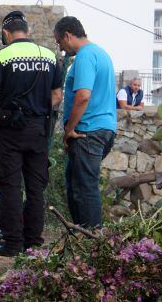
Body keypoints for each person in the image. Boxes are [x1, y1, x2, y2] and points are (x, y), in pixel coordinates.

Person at [0, 11, 63, 257]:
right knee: (36, 188)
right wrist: (36, 110)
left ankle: (13, 244)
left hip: (10, 131)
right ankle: (33, 242)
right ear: (26, 31)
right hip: (38, 130)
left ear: (7, 33)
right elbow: (58, 95)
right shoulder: (49, 56)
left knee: (10, 186)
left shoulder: (1, 56)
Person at [54, 16, 117, 228]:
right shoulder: (101, 54)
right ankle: (81, 235)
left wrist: (69, 129)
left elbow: (83, 96)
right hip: (104, 129)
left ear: (68, 35)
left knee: (84, 187)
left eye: (59, 42)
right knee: (74, 183)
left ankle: (91, 242)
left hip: (87, 131)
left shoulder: (85, 56)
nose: (61, 48)